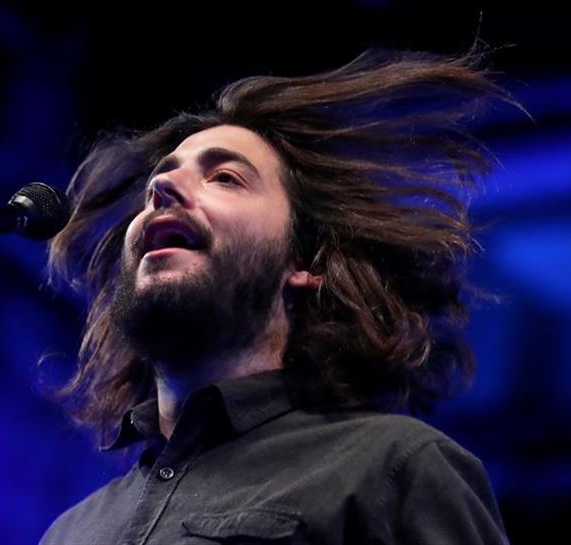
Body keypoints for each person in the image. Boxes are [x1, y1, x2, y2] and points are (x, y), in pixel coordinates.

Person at [40, 46, 520, 545]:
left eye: (225, 178)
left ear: (305, 264)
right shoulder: (70, 532)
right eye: (155, 185)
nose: (162, 186)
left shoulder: (394, 471)